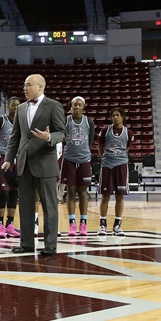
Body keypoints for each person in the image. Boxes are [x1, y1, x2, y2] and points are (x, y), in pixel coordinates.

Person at [3, 74, 66, 256]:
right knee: (26, 206)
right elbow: (15, 137)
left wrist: (49, 138)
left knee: (49, 206)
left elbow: (62, 133)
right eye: (24, 85)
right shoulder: (21, 108)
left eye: (28, 85)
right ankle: (27, 243)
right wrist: (9, 158)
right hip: (24, 164)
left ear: (40, 87)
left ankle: (50, 245)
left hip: (45, 162)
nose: (24, 88)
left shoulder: (54, 106)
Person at [60, 96, 95, 236]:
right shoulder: (65, 120)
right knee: (70, 193)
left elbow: (90, 140)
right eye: (75, 104)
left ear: (83, 107)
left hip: (84, 160)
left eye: (80, 105)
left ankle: (83, 224)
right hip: (69, 160)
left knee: (83, 193)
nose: (77, 107)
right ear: (71, 106)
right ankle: (72, 224)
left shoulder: (89, 121)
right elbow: (62, 139)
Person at [98, 107, 133, 237]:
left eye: (118, 115)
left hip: (121, 166)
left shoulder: (128, 133)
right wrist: (106, 159)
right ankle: (102, 225)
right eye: (113, 115)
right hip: (107, 165)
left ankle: (117, 225)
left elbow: (128, 148)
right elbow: (100, 147)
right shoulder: (105, 131)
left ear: (123, 117)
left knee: (120, 195)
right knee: (105, 195)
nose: (115, 118)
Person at [0, 97, 21, 238]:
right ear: (8, 106)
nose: (15, 107)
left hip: (18, 159)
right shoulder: (0, 121)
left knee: (14, 192)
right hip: (3, 158)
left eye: (17, 105)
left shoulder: (22, 122)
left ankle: (10, 225)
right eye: (13, 105)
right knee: (3, 192)